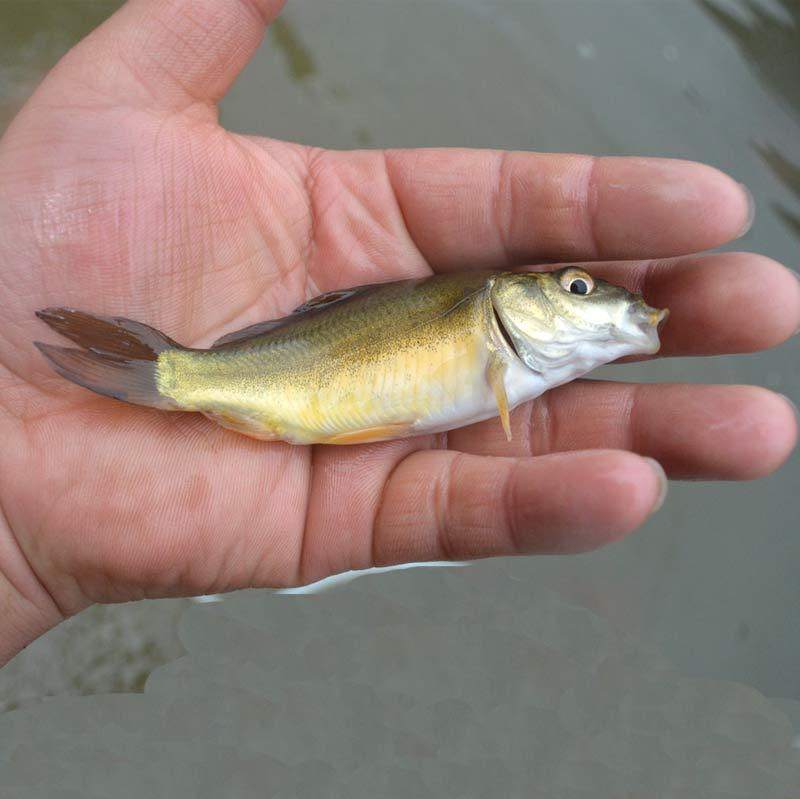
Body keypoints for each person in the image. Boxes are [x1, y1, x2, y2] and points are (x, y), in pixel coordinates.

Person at [0, 0, 797, 667]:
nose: (592, 299)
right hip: (283, 384)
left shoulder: (523, 367)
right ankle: (176, 374)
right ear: (510, 299)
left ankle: (175, 376)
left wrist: (22, 554)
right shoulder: (490, 332)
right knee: (184, 375)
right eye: (576, 288)